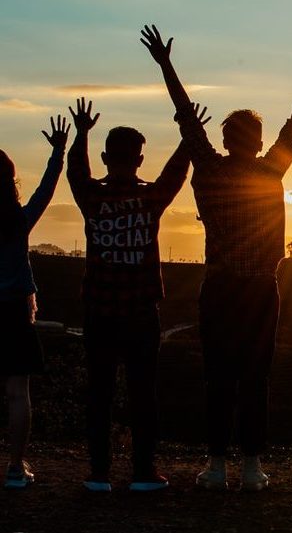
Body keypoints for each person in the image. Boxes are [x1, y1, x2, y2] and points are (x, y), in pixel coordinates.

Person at [141, 24, 292, 491]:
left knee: (218, 378)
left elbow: (185, 117)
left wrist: (165, 64)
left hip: (219, 288)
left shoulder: (209, 169)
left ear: (226, 137)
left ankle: (216, 465)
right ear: (256, 140)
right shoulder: (271, 168)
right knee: (256, 378)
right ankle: (252, 466)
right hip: (258, 291)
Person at [67, 97, 191, 492]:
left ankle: (98, 473)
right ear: (139, 159)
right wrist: (188, 136)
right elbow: (176, 174)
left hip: (99, 312)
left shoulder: (91, 198)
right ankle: (142, 472)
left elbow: (75, 171)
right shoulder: (151, 198)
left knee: (99, 393)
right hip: (140, 312)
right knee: (142, 393)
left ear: (105, 157)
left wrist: (81, 134)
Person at [1, 116, 70, 488]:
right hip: (14, 310)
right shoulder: (18, 220)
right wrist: (57, 153)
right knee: (17, 392)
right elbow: (45, 190)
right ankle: (15, 467)